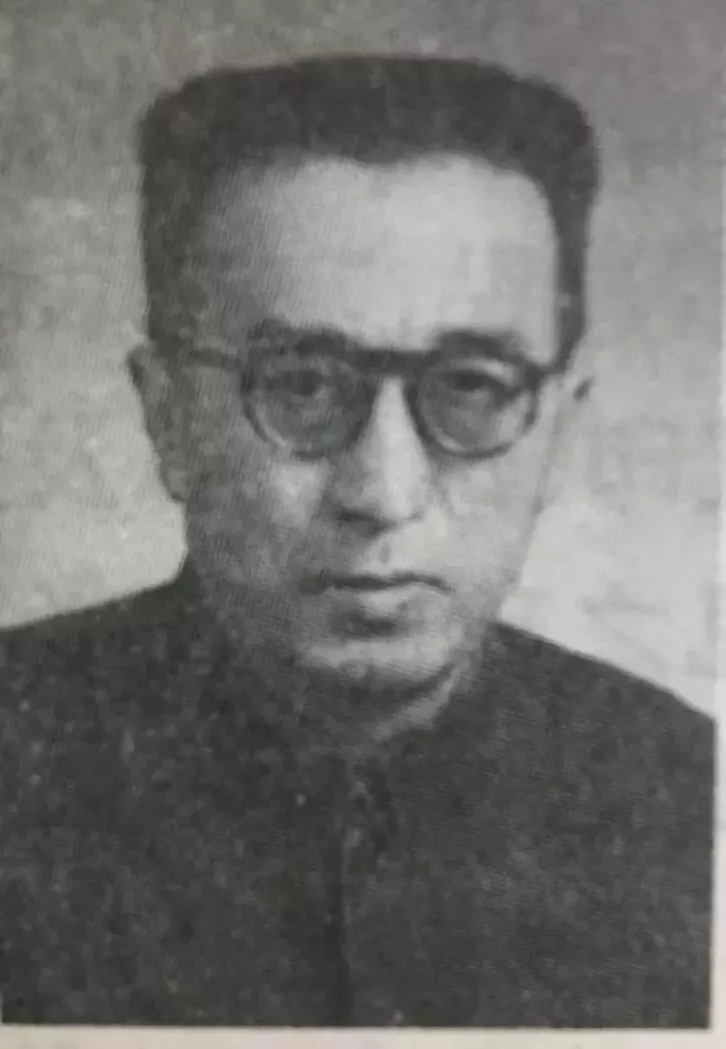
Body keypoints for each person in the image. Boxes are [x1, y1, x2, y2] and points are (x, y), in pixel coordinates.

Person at [0, 56, 714, 1028]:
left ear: (562, 427)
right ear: (167, 418)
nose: (383, 493)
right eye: (301, 384)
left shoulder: (687, 794)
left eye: (471, 386)